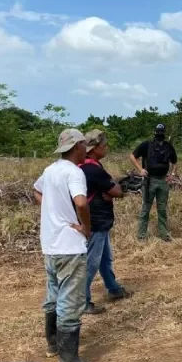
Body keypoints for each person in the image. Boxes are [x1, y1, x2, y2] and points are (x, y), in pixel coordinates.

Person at [32, 128, 99, 362]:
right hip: (69, 246)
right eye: (84, 144)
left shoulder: (50, 170)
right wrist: (86, 227)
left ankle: (52, 345)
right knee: (70, 301)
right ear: (76, 146)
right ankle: (69, 361)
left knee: (53, 295)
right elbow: (81, 202)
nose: (86, 149)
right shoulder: (74, 172)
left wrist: (53, 212)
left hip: (50, 244)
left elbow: (37, 190)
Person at [79, 129, 132, 315]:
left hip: (98, 221)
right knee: (92, 263)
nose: (107, 147)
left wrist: (111, 191)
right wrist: (114, 190)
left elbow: (111, 190)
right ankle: (82, 301)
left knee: (105, 259)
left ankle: (114, 288)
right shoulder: (93, 169)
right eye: (104, 145)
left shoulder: (84, 166)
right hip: (96, 222)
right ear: (94, 149)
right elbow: (117, 191)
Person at [130, 124, 178, 242]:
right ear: (155, 133)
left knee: (162, 209)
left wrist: (172, 174)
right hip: (149, 180)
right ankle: (141, 236)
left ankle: (164, 234)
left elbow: (174, 161)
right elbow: (132, 155)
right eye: (158, 133)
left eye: (161, 133)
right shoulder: (147, 145)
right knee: (146, 208)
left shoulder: (168, 146)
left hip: (163, 180)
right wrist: (140, 169)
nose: (159, 135)